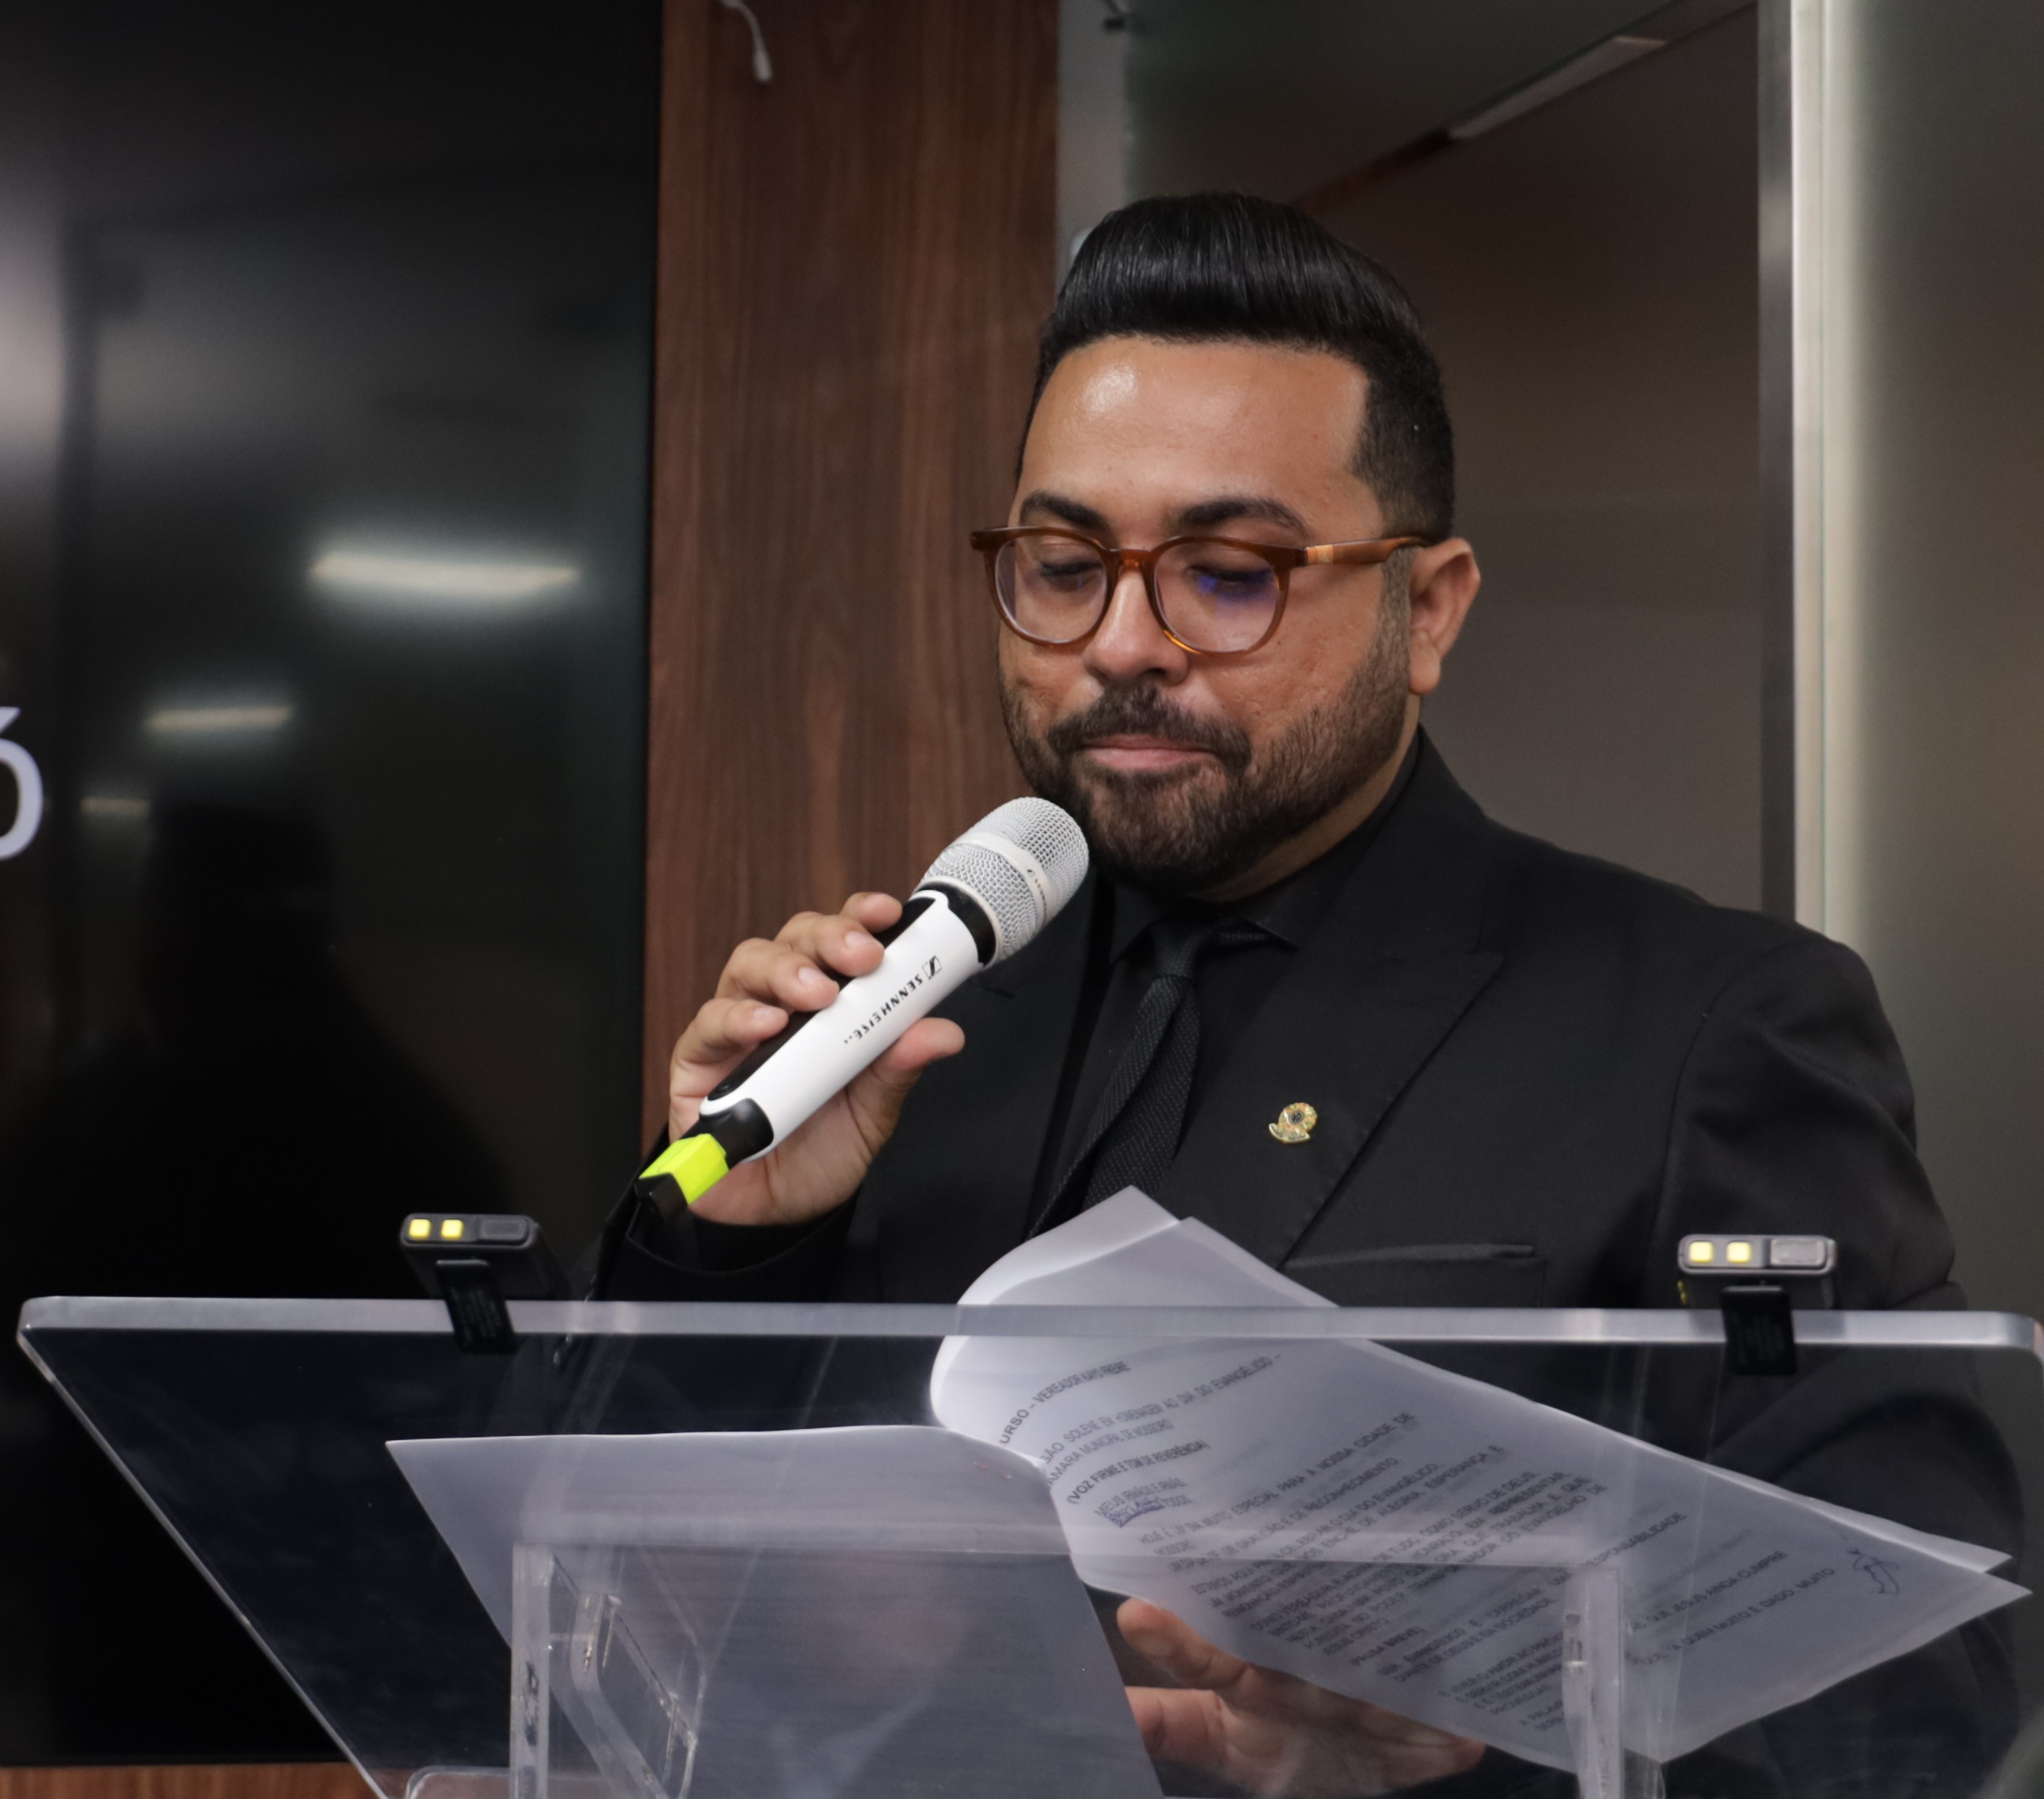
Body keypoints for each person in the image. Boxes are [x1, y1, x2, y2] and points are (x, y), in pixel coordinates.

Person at [594, 194, 2007, 1796]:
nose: (1122, 642)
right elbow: (598, 1616)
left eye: (1228, 573)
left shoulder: (1707, 1026)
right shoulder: (902, 1023)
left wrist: (1462, 1758)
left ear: (1429, 607)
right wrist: (733, 1235)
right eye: (1062, 565)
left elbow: (1917, 1700)